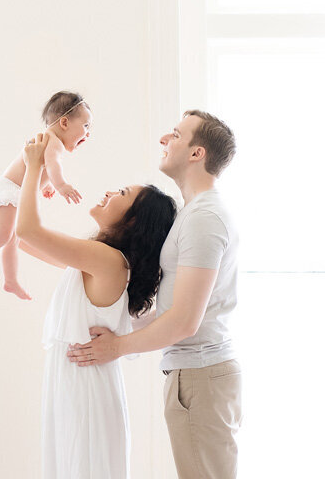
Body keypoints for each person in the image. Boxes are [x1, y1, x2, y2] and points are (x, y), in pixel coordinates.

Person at [66, 110, 240, 479]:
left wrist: (116, 347)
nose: (164, 138)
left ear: (197, 153)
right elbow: (177, 307)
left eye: (176, 135)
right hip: (195, 376)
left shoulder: (204, 219)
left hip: (200, 376)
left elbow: (185, 321)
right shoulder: (195, 215)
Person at [16, 132, 177, 479]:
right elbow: (24, 240)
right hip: (76, 385)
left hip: (85, 391)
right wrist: (41, 176)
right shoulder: (97, 260)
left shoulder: (107, 260)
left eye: (122, 194)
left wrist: (33, 167)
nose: (108, 192)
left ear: (133, 220)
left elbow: (27, 231)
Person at [0, 91, 90, 299]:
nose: (88, 134)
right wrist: (61, 185)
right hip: (9, 190)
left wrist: (46, 186)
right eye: (86, 126)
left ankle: (10, 280)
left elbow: (39, 168)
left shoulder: (48, 140)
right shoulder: (54, 142)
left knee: (11, 239)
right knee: (3, 236)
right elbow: (53, 165)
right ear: (65, 123)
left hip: (14, 190)